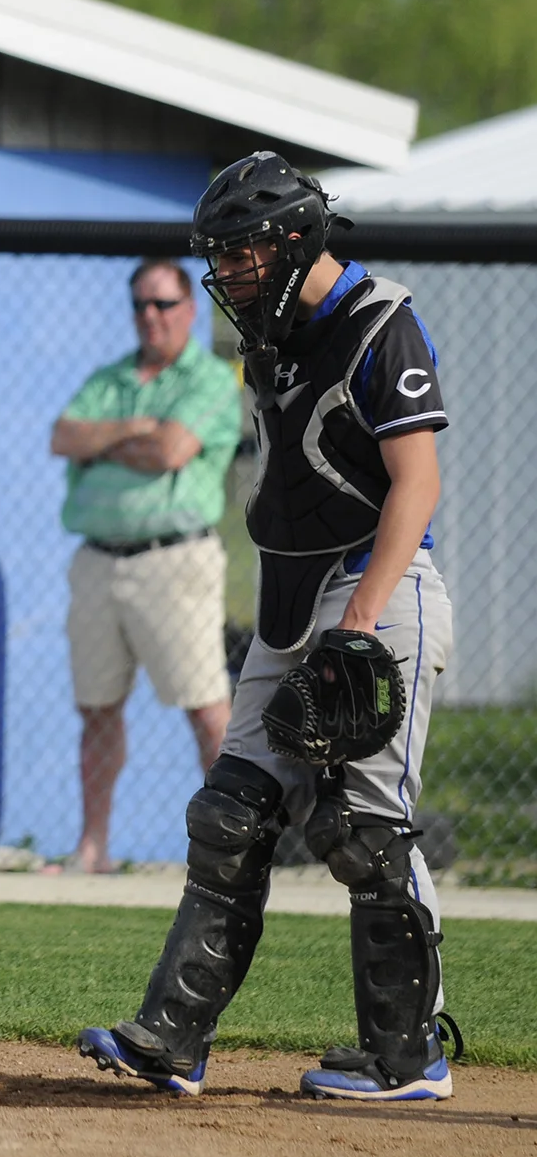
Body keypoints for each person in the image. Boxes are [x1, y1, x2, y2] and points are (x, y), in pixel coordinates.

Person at [80, 155, 459, 1102]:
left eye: (242, 255)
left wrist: (360, 623)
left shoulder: (381, 320)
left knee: (366, 831)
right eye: (222, 258)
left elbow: (418, 482)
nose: (229, 275)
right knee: (231, 815)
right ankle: (172, 1039)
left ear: (295, 242)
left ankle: (408, 1058)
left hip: (378, 585)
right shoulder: (270, 333)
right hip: (289, 600)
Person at [52, 258, 242, 874]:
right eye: (140, 304)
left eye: (163, 304)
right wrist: (135, 426)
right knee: (97, 709)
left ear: (191, 310)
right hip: (98, 563)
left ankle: (234, 850)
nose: (150, 316)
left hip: (175, 560)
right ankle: (93, 848)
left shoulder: (211, 379)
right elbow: (62, 436)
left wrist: (105, 440)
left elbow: (171, 451)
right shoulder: (111, 378)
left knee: (207, 706)